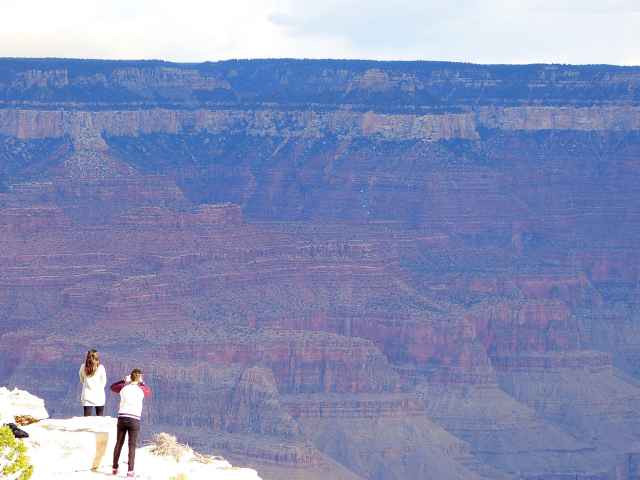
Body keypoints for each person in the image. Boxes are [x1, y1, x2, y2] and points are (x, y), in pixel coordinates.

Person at [110, 368, 151, 477]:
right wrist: (142, 382)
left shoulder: (124, 388)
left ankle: (114, 467)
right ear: (139, 378)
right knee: (132, 445)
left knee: (119, 443)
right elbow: (148, 391)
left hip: (122, 418)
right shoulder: (141, 389)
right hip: (134, 420)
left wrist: (124, 381)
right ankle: (130, 471)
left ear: (130, 377)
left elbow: (113, 387)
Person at [79, 349, 107, 416]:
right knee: (99, 418)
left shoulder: (83, 367)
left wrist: (87, 385)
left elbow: (81, 379)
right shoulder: (101, 368)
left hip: (87, 396)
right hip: (99, 396)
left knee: (86, 420)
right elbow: (104, 382)